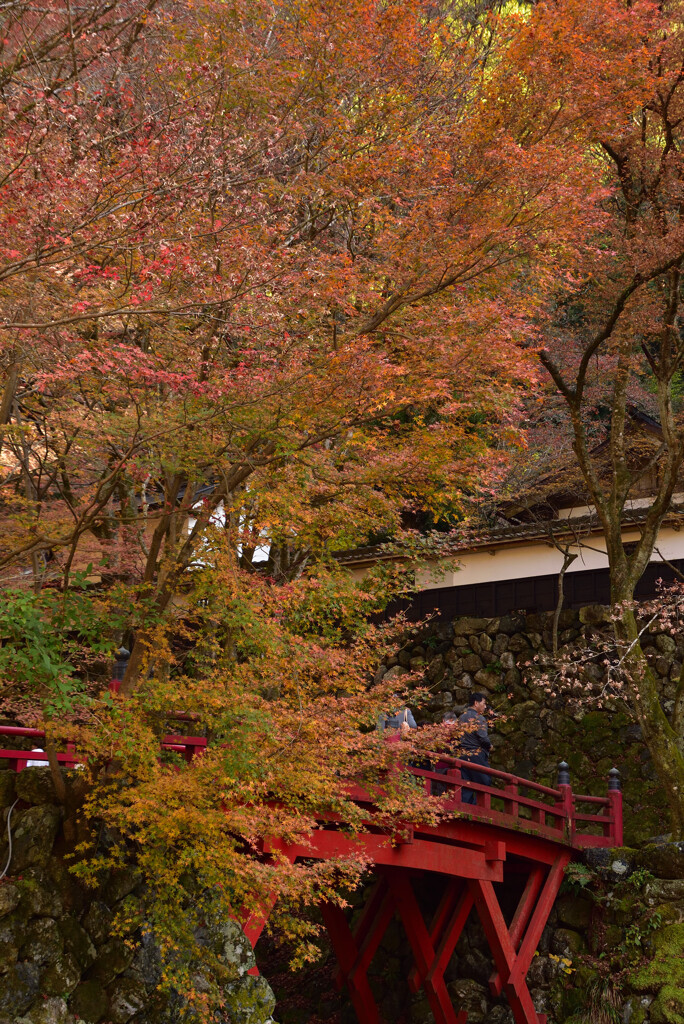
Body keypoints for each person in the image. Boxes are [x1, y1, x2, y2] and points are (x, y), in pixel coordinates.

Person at [457, 693, 492, 805]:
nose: (485, 706)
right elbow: (483, 738)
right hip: (476, 755)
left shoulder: (461, 718)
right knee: (484, 782)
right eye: (484, 703)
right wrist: (490, 746)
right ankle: (480, 812)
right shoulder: (479, 718)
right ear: (476, 703)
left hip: (462, 754)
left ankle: (464, 810)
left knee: (465, 786)